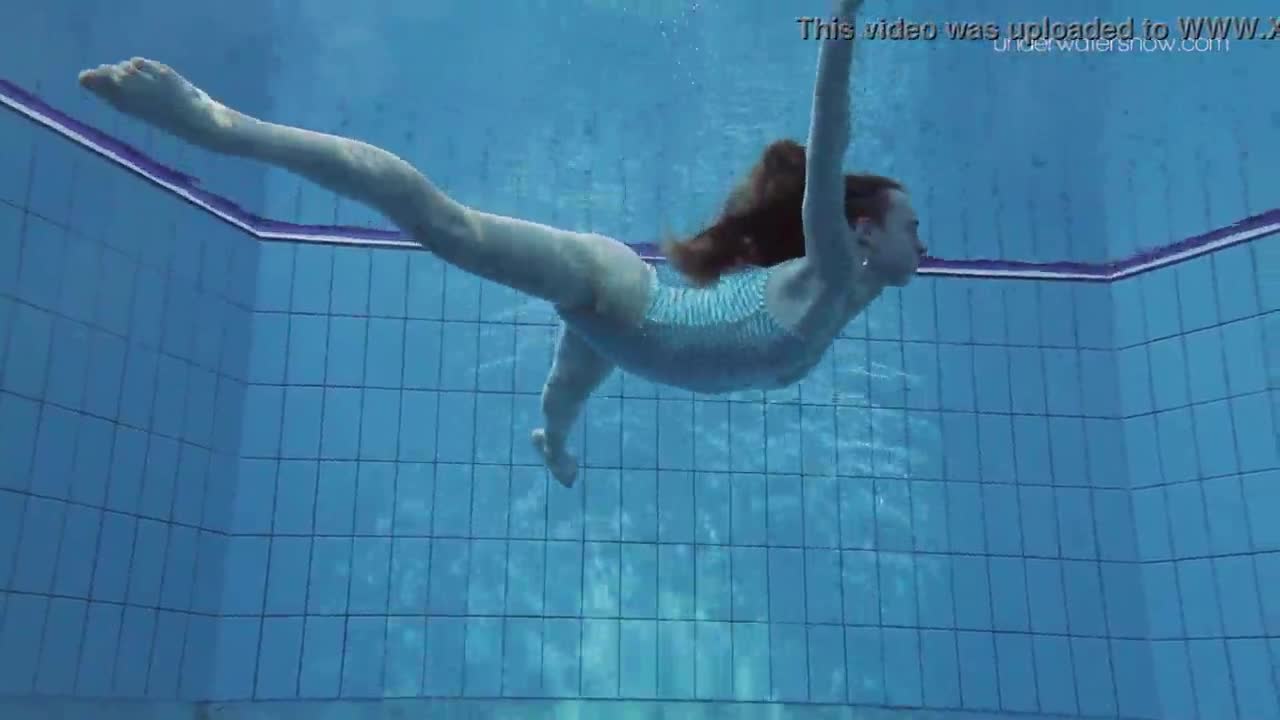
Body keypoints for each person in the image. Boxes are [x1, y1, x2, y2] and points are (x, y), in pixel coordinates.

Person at [77, 0, 924, 488]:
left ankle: (552, 443)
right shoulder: (828, 270)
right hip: (617, 295)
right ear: (862, 233)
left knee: (563, 397)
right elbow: (830, 132)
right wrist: (845, 19)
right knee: (446, 225)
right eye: (911, 228)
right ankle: (220, 127)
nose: (924, 244)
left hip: (627, 334)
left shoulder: (847, 295)